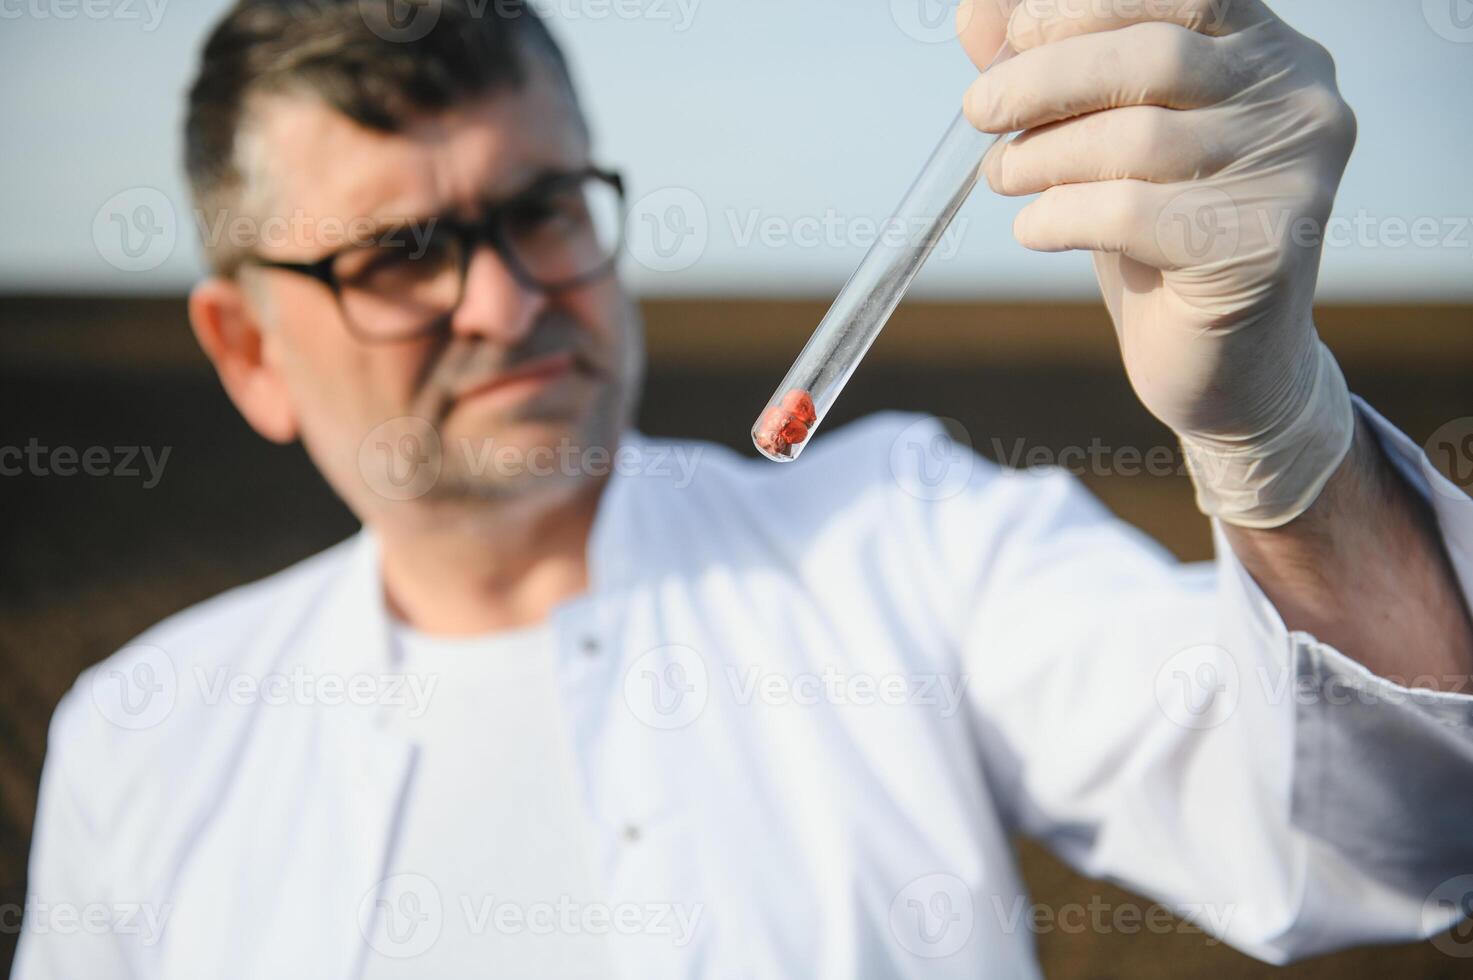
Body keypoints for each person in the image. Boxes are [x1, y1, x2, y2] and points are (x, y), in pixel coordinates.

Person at [14, 0, 1473, 977]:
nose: (507, 302)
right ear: (247, 349)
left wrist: (1279, 443)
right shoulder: (147, 742)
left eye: (541, 210)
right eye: (399, 254)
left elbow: (1387, 828)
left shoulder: (899, 539)